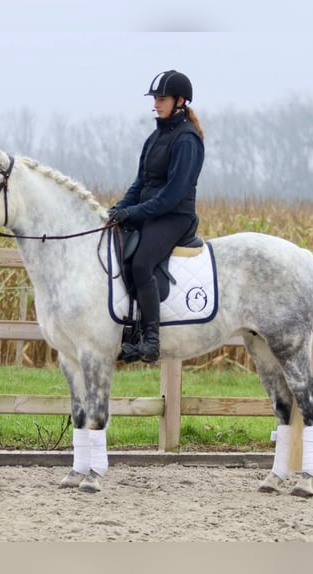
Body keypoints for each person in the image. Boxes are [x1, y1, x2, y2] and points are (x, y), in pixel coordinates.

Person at [108, 69, 205, 363]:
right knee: (116, 249)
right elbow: (141, 183)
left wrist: (134, 212)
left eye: (162, 99)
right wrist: (119, 209)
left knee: (141, 263)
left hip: (175, 216)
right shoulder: (155, 137)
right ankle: (130, 326)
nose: (156, 104)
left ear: (179, 101)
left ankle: (150, 340)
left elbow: (174, 193)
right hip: (152, 212)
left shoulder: (187, 140)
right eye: (155, 99)